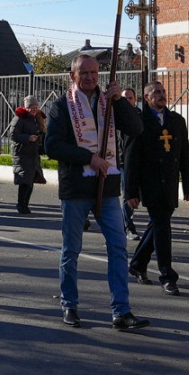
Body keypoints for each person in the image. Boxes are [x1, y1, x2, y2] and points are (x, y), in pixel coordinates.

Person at [46, 55, 148, 331]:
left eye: (94, 72)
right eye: (84, 73)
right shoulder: (61, 105)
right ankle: (69, 305)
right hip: (76, 188)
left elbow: (137, 128)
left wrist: (120, 102)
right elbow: (52, 145)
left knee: (118, 247)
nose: (90, 77)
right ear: (72, 76)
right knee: (71, 250)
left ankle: (121, 311)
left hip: (108, 187)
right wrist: (88, 158)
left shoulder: (109, 102)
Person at [126, 81, 189, 295]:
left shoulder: (177, 120)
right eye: (156, 92)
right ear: (147, 97)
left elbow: (184, 155)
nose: (162, 95)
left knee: (157, 225)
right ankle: (167, 276)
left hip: (170, 183)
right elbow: (131, 159)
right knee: (163, 228)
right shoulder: (139, 121)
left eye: (163, 91)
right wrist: (130, 192)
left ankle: (138, 264)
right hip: (150, 184)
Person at [8, 97, 47, 214]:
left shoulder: (38, 117)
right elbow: (12, 135)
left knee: (30, 180)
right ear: (26, 108)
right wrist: (27, 138)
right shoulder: (20, 118)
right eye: (31, 108)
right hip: (21, 153)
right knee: (25, 180)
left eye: (36, 107)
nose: (34, 110)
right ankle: (21, 204)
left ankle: (25, 204)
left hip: (33, 153)